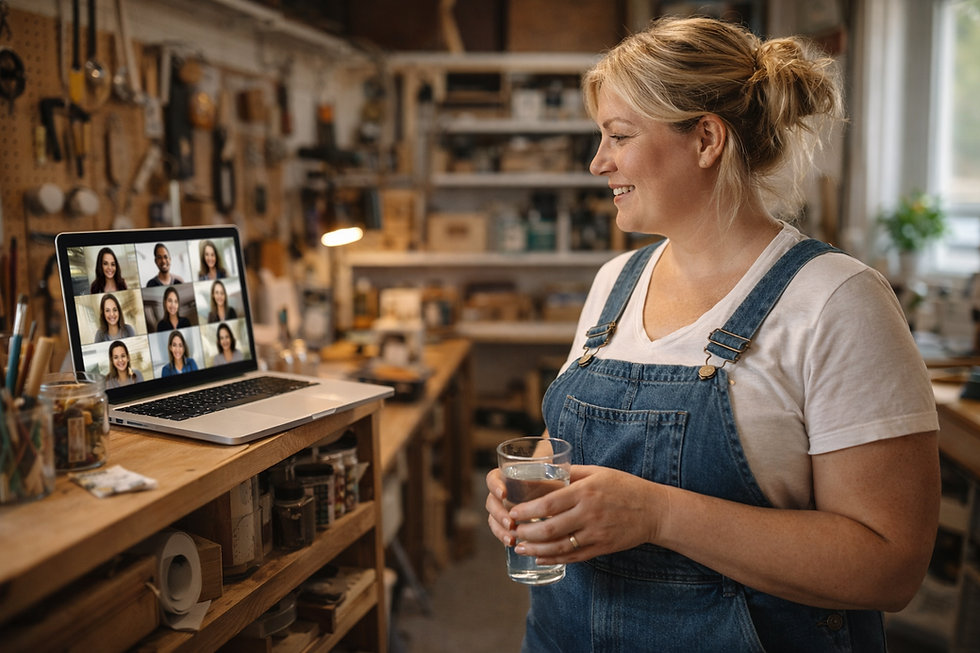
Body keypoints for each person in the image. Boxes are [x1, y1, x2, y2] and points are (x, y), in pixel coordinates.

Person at [485, 16, 940, 653]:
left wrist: (659, 514)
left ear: (705, 139)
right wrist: (531, 487)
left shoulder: (836, 301)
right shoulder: (616, 282)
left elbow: (890, 566)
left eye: (619, 135)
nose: (597, 163)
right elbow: (564, 452)